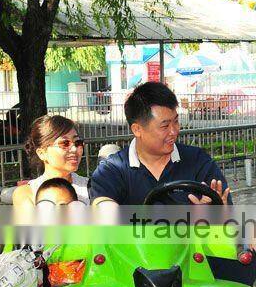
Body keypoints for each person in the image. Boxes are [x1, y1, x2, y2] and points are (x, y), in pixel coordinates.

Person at [89, 82, 231, 205]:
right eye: (165, 126)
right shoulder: (113, 170)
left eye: (176, 121)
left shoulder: (198, 161)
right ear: (137, 129)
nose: (174, 131)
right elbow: (104, 207)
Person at [12, 115, 90, 206]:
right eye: (65, 143)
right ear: (42, 153)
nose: (74, 149)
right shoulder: (27, 193)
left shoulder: (93, 188)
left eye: (77, 142)